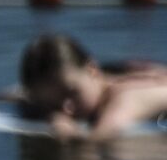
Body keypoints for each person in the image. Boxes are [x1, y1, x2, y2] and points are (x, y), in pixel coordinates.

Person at [14, 33, 167, 137]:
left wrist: (61, 125)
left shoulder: (127, 98)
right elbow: (18, 94)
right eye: (53, 104)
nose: (67, 109)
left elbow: (96, 142)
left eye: (72, 92)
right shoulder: (96, 78)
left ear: (92, 70)